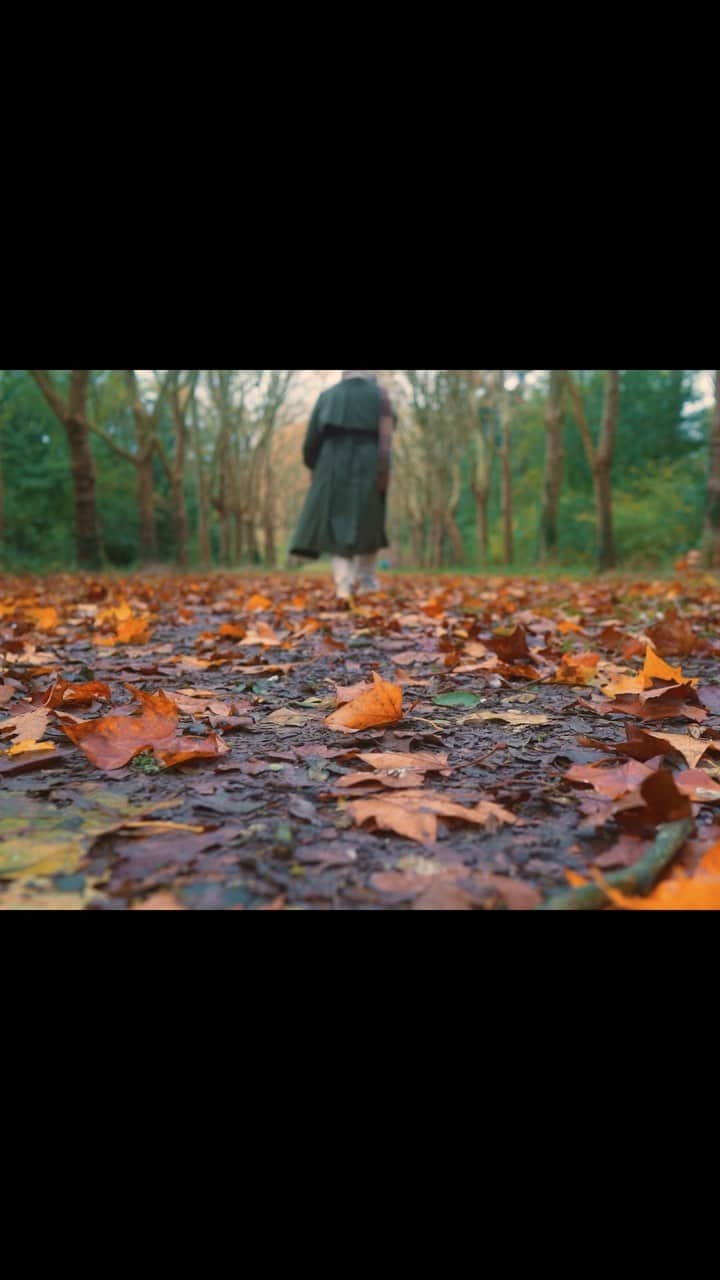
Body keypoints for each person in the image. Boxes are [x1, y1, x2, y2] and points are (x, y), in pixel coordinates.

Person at [291, 370, 397, 606]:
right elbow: (389, 430)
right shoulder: (380, 396)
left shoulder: (328, 395)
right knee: (369, 521)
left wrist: (315, 466)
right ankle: (367, 581)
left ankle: (343, 585)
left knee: (339, 523)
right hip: (371, 461)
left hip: (332, 461)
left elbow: (311, 439)